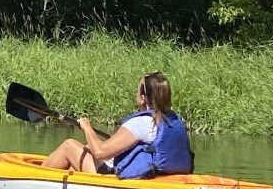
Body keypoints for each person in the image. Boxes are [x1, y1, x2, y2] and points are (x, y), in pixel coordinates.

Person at [41, 71, 194, 179]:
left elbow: (101, 152)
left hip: (115, 175)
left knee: (69, 145)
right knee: (86, 149)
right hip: (164, 174)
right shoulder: (174, 119)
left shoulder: (141, 123)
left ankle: (33, 176)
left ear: (142, 98)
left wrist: (87, 127)